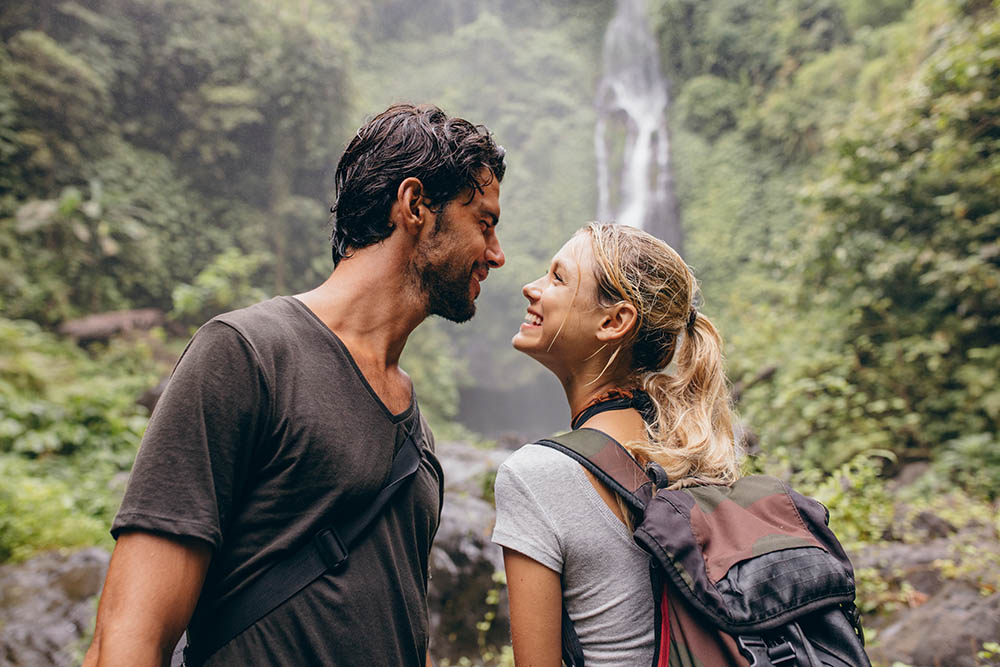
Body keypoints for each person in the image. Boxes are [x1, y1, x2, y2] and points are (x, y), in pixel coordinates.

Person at [83, 103, 506, 666]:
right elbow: (130, 634)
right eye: (484, 222)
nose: (496, 255)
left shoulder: (414, 424)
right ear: (414, 205)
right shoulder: (246, 353)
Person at [492, 222, 740, 665]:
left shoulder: (535, 477)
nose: (531, 288)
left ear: (614, 321)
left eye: (557, 277)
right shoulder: (692, 452)